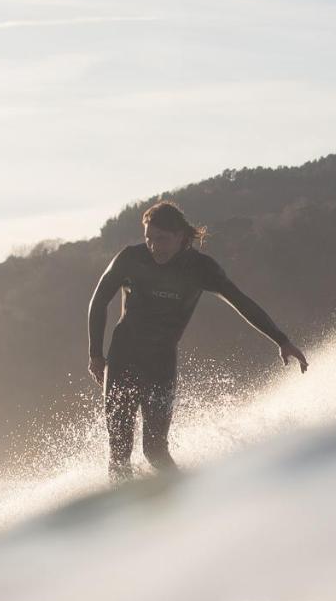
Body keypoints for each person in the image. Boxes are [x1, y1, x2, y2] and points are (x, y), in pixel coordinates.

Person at [87, 201, 308, 483]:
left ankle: (188, 499)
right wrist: (96, 354)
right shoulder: (131, 259)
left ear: (182, 236)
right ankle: (124, 518)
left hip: (160, 365)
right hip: (123, 359)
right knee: (119, 453)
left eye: (162, 239)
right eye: (149, 239)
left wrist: (282, 339)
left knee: (155, 452)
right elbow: (98, 301)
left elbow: (240, 301)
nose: (155, 247)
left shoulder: (200, 269)